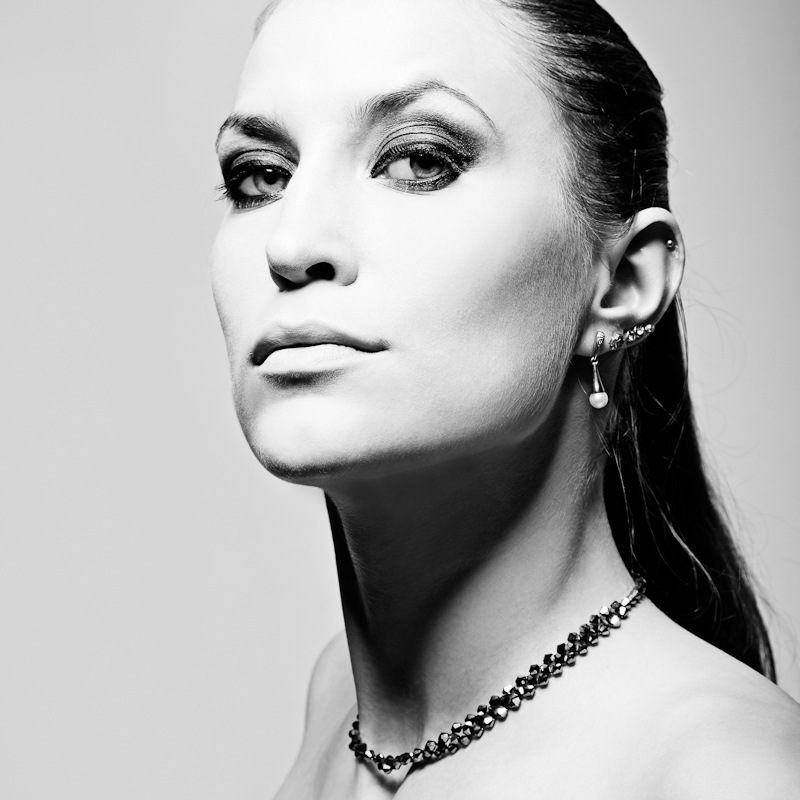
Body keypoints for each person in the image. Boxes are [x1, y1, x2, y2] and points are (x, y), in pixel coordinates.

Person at [211, 0, 800, 796]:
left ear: (623, 284)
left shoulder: (727, 775)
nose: (291, 243)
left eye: (420, 160)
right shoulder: (338, 704)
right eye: (261, 177)